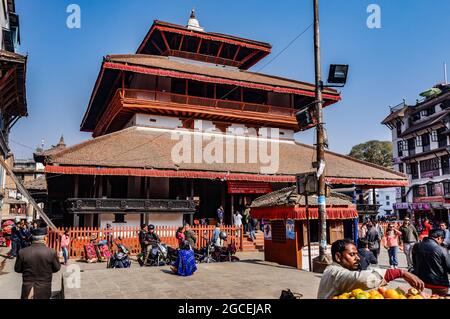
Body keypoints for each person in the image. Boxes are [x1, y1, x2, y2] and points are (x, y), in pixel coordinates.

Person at [317, 239, 424, 299]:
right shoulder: (336, 273)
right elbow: (361, 278)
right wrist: (401, 272)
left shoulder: (331, 269)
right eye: (352, 254)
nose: (357, 258)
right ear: (338, 257)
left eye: (356, 254)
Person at [14, 227, 61, 299]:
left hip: (27, 288)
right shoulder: (51, 252)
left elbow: (17, 269)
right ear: (45, 238)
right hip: (44, 288)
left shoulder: (22, 252)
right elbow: (56, 268)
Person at [412, 229, 450, 296]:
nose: (442, 242)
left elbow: (414, 263)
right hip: (439, 284)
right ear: (439, 238)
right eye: (442, 239)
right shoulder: (442, 249)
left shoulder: (416, 246)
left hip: (421, 283)